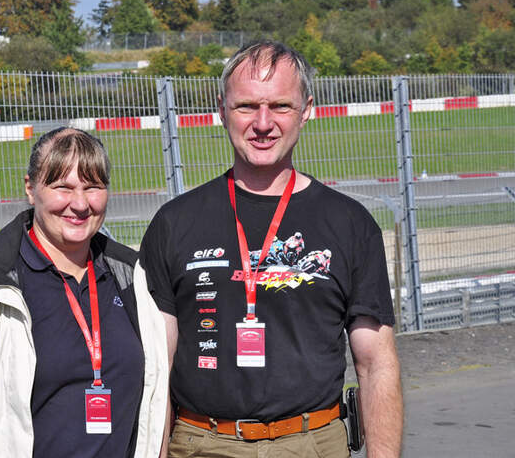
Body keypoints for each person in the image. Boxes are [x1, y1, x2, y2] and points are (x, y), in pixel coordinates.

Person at [140, 41, 403, 458]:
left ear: (307, 109)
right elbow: (158, 367)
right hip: (202, 443)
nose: (263, 123)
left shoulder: (351, 225)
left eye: (280, 105)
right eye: (247, 106)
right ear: (221, 110)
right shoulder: (174, 223)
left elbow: (376, 364)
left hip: (313, 443)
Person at [0, 127, 168, 458]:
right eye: (63, 187)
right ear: (31, 189)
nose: (79, 204)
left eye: (93, 187)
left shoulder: (133, 276)